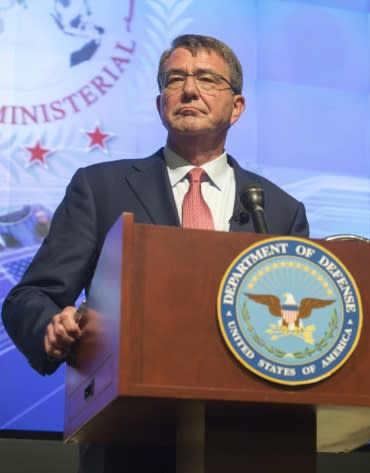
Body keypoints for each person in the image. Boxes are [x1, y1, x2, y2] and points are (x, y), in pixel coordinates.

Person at [1, 34, 309, 472]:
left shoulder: (278, 210)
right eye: (175, 79)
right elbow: (29, 297)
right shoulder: (100, 187)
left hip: (250, 438)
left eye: (207, 79)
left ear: (236, 107)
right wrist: (51, 326)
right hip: (131, 442)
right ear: (160, 101)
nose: (188, 90)